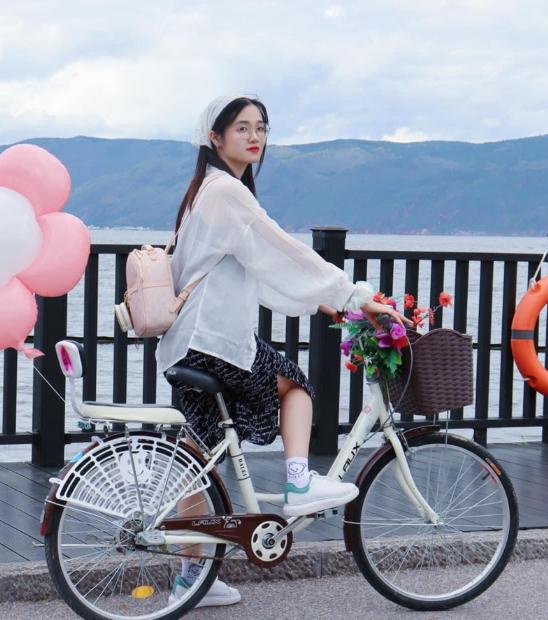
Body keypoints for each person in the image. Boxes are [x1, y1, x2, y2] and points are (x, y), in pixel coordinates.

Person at [157, 95, 409, 607]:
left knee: (199, 459)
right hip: (216, 343)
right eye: (243, 128)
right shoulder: (227, 193)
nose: (256, 137)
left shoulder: (205, 191)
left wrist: (327, 306)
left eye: (262, 128)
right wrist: (354, 296)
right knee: (297, 386)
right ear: (216, 137)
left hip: (188, 344)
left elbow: (260, 271)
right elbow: (282, 253)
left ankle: (190, 581)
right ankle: (298, 483)